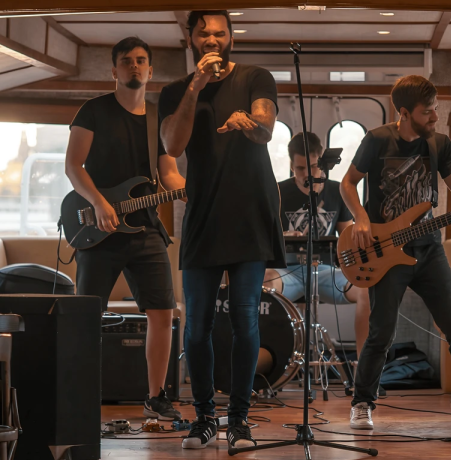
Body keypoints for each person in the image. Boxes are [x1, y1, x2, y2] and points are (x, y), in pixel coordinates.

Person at [340, 75, 451, 431]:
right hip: (385, 251)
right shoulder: (377, 140)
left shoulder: (440, 144)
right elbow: (348, 183)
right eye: (427, 111)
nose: (435, 116)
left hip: (429, 248)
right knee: (380, 332)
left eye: (435, 109)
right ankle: (362, 403)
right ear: (403, 113)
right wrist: (361, 218)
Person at [158, 10, 285, 450]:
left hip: (251, 213)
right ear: (190, 39)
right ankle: (204, 417)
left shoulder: (255, 77)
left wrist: (249, 122)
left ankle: (240, 420)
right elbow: (172, 144)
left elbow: (266, 129)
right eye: (203, 34)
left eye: (219, 33)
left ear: (231, 36)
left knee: (246, 318)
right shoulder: (175, 91)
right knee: (196, 326)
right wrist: (195, 86)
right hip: (203, 216)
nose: (212, 40)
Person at [65, 37, 186, 421]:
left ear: (150, 70)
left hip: (145, 229)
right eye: (127, 60)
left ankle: (156, 397)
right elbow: (73, 166)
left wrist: (187, 189)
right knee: (87, 316)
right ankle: (80, 396)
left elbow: (168, 173)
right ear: (114, 70)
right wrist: (99, 203)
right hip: (97, 229)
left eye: (141, 60)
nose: (135, 65)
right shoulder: (94, 111)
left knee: (163, 313)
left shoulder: (157, 120)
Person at [263, 131, 370, 358]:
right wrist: (283, 235)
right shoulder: (278, 192)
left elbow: (347, 239)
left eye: (312, 167)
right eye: (300, 168)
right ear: (291, 166)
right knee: (262, 286)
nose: (307, 174)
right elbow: (263, 237)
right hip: (287, 272)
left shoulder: (337, 192)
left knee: (368, 291)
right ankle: (268, 362)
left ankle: (365, 369)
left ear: (321, 163)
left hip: (325, 272)